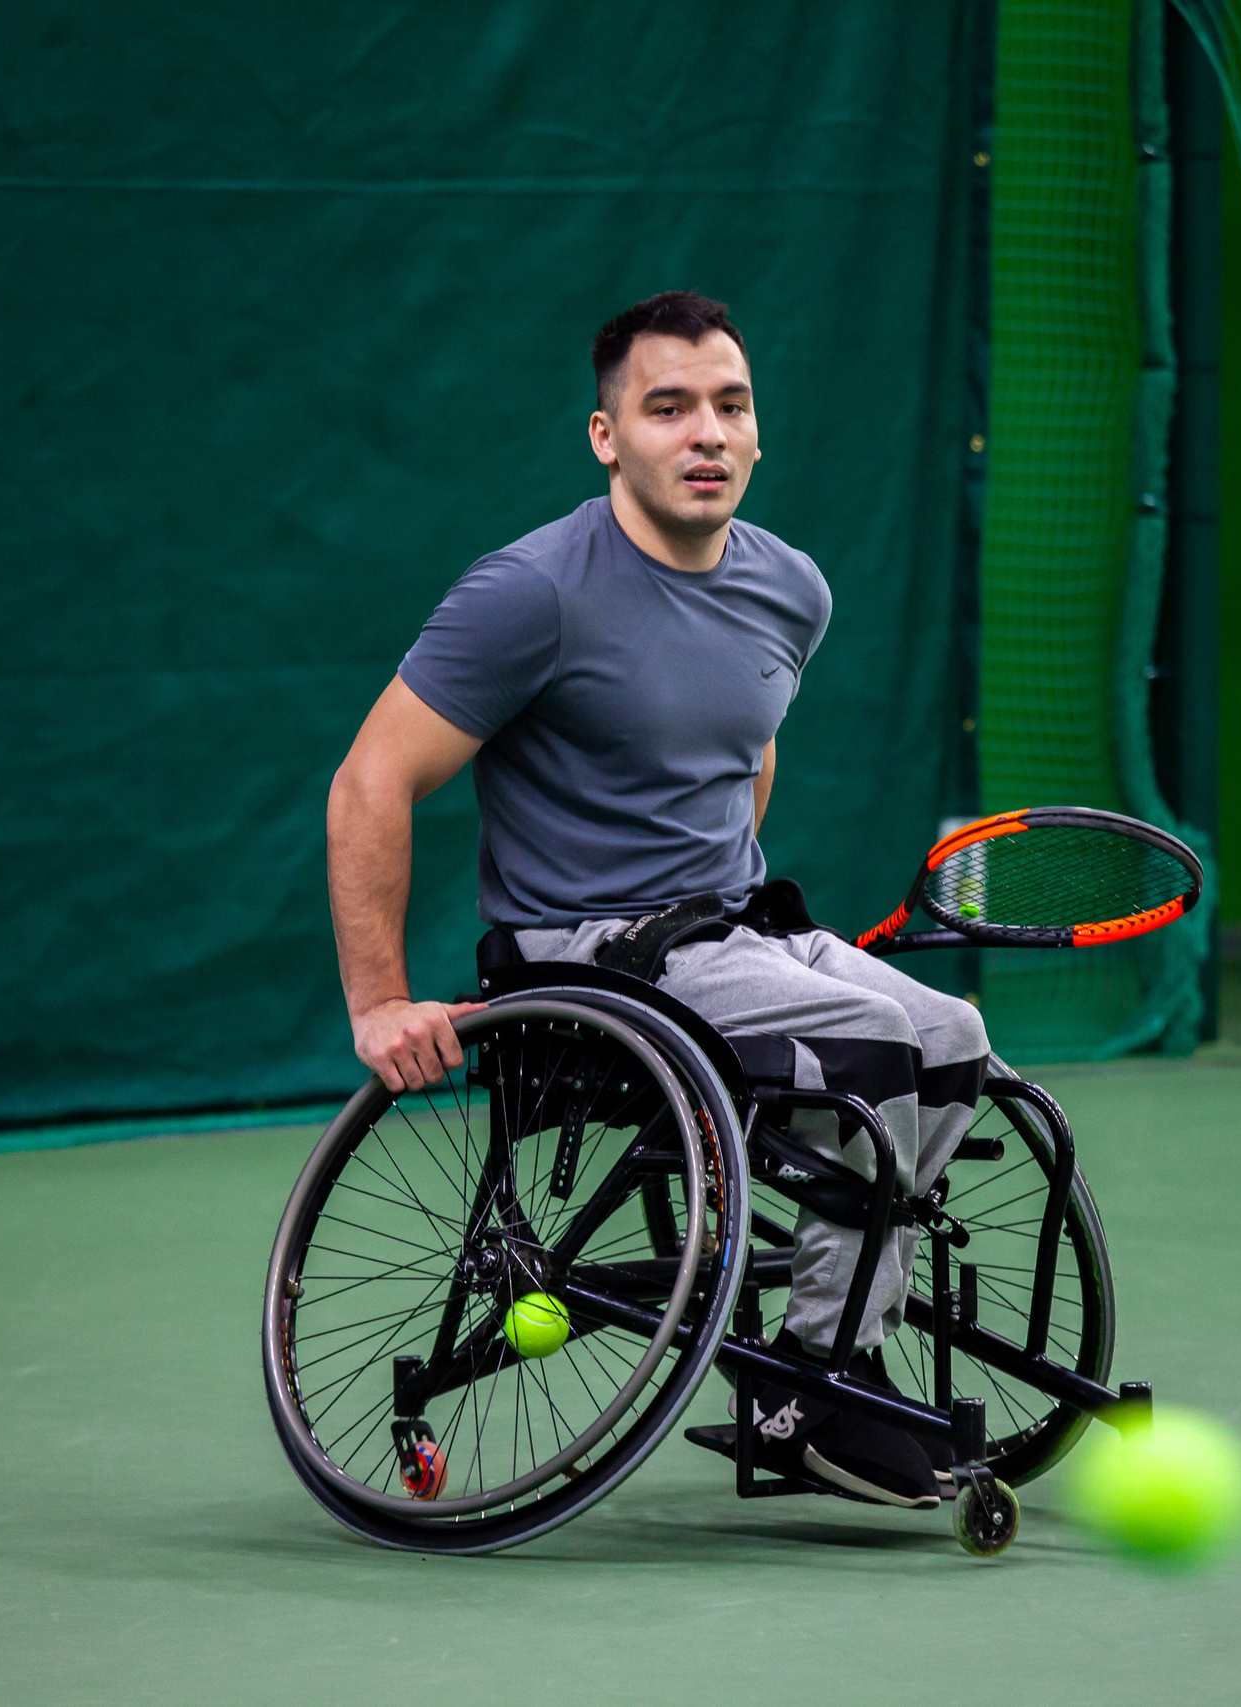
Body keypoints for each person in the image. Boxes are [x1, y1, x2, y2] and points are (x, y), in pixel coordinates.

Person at [325, 291, 988, 1509]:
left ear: (756, 429)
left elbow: (746, 751)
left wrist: (756, 930)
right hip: (583, 961)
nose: (705, 434)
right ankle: (816, 1393)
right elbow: (372, 780)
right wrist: (378, 1000)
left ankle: (822, 1357)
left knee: (950, 1038)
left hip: (727, 929)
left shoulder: (792, 589)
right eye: (667, 407)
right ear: (605, 436)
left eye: (728, 406)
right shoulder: (530, 593)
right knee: (874, 1051)